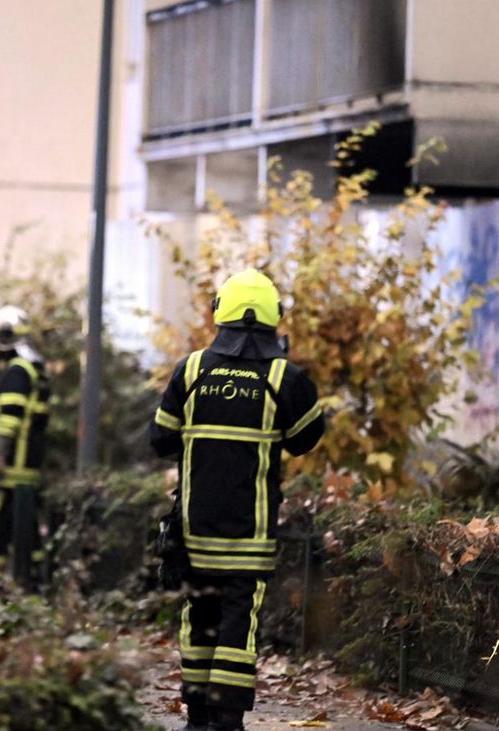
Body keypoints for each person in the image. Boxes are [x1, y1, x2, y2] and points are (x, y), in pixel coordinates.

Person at [149, 269, 325, 731]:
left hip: (194, 530)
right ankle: (226, 721)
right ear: (275, 317)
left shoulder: (190, 370)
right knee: (237, 625)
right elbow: (306, 438)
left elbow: (160, 440)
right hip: (250, 532)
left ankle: (197, 718)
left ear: (219, 312)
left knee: (198, 617)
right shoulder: (284, 377)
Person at [0, 305, 51, 589]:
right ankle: (32, 574)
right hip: (28, 463)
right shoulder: (35, 368)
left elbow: (9, 421)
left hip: (12, 464)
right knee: (26, 520)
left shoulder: (17, 372)